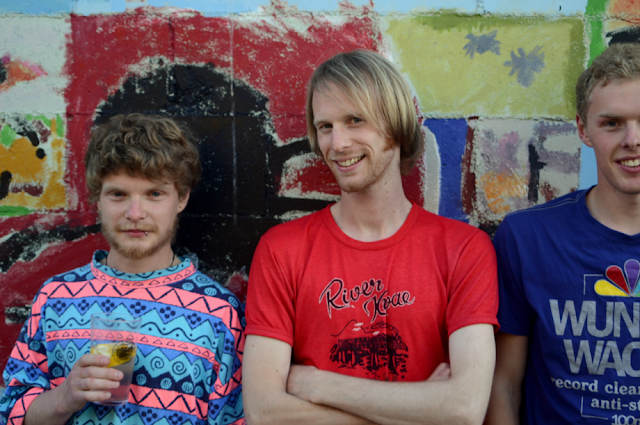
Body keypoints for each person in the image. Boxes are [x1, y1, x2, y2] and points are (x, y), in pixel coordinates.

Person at [242, 49, 499, 425]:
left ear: (395, 125)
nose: (337, 143)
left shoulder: (463, 249)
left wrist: (319, 385)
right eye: (325, 126)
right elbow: (264, 413)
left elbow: (464, 410)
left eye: (355, 120)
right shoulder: (282, 249)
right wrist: (419, 411)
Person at [0, 114, 245, 425]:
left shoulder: (220, 313)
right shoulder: (55, 297)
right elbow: (10, 411)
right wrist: (64, 398)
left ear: (181, 198)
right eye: (118, 194)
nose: (135, 213)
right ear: (98, 199)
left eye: (154, 194)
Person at [486, 43, 640, 425]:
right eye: (612, 123)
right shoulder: (527, 239)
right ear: (583, 130)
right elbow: (503, 386)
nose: (632, 139)